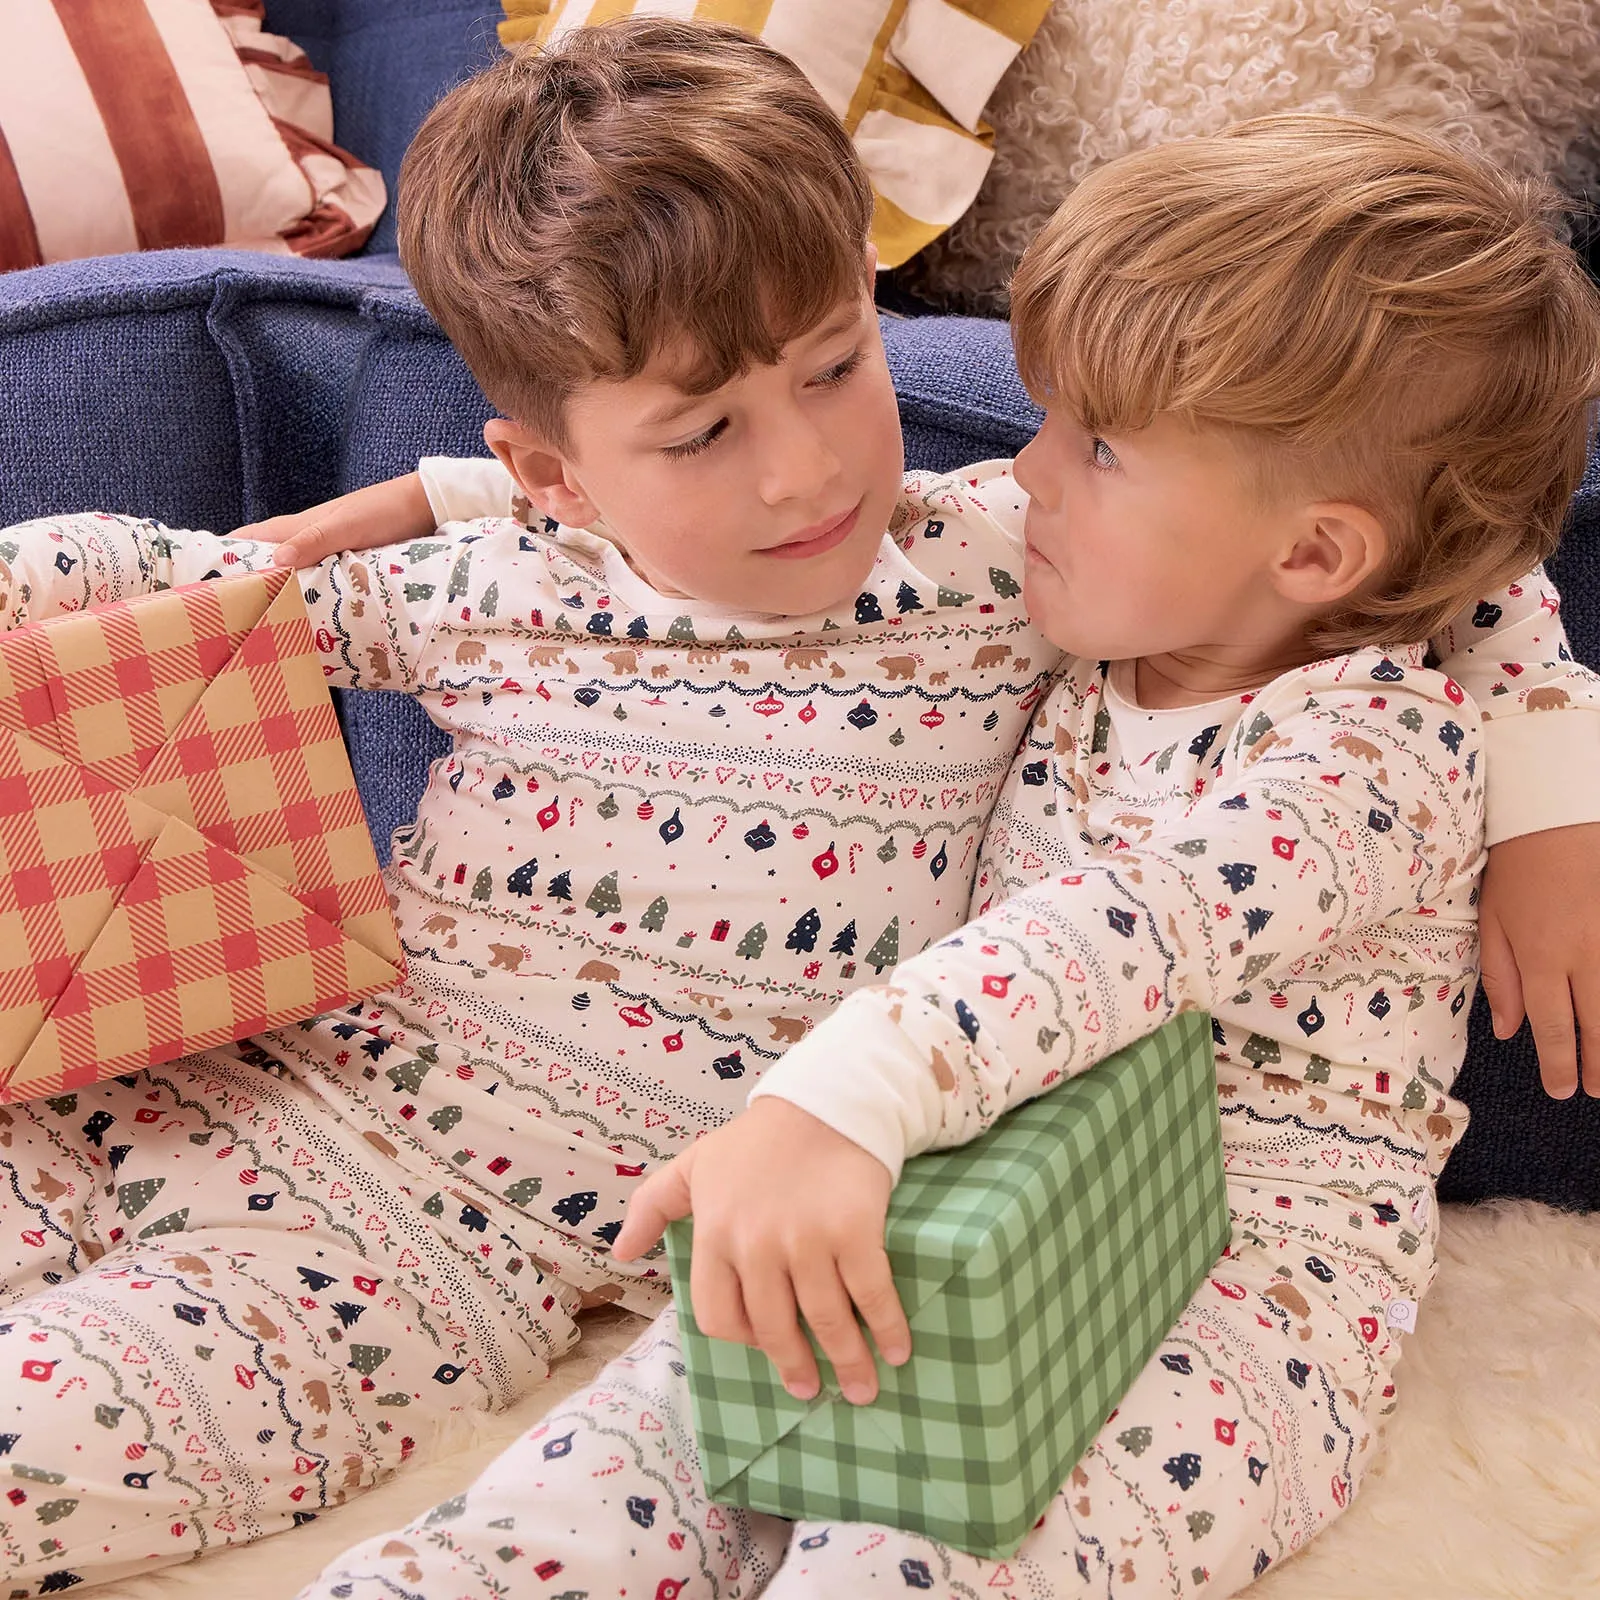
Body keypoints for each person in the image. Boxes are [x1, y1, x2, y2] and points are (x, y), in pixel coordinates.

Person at [0, 17, 1590, 1594]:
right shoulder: (584, 576)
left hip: (534, 1255)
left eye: (842, 368)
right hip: (335, 1094)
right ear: (561, 472)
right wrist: (436, 499)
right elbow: (198, 601)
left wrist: (1550, 780)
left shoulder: (1106, 617)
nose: (811, 474)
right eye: (704, 436)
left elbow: (1376, 511)